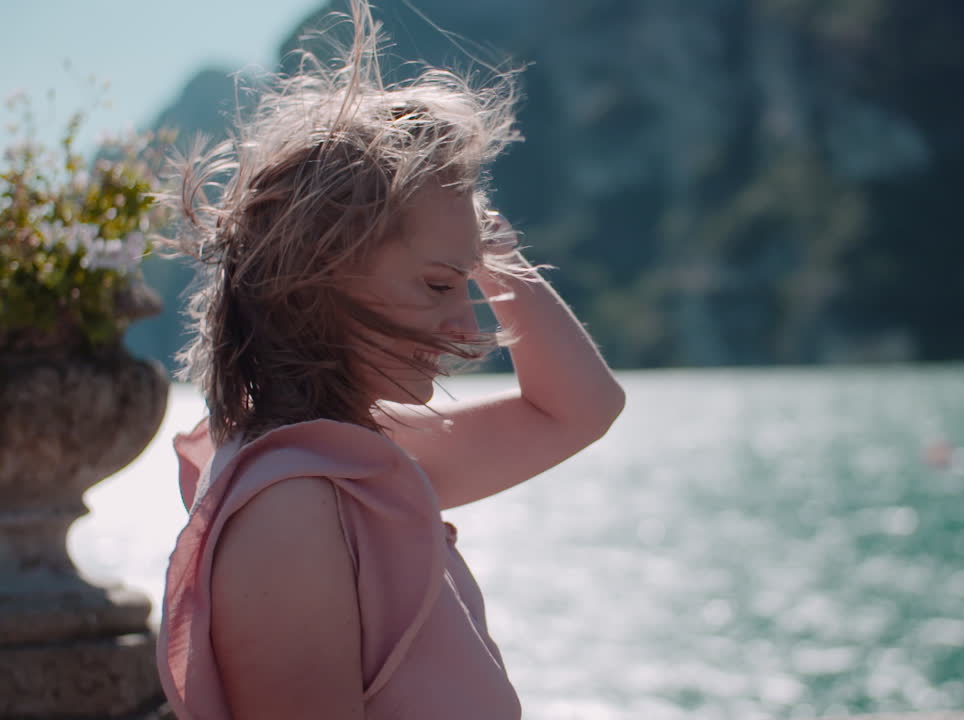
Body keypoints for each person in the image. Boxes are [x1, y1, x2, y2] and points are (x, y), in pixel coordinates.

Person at [155, 2, 625, 717]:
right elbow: (579, 411)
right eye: (438, 286)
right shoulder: (292, 513)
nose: (467, 331)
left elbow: (584, 407)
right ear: (317, 271)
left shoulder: (347, 463)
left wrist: (472, 238)